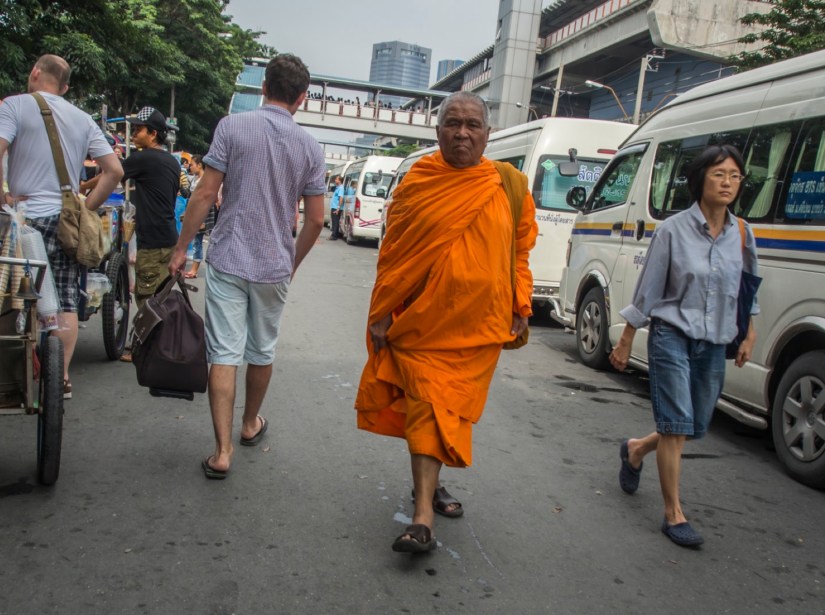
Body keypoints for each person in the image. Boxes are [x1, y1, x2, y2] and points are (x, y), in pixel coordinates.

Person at [354, 91, 538, 553]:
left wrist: (521, 303)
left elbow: (520, 251)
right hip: (421, 326)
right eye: (452, 123)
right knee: (426, 406)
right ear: (437, 132)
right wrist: (381, 312)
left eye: (472, 124)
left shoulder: (509, 184)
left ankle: (428, 488)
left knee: (444, 411)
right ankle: (422, 518)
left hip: (479, 329)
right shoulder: (417, 181)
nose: (462, 132)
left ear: (487, 134)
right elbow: (393, 256)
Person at [168, 53, 326, 480]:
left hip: (228, 257)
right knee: (262, 350)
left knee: (224, 353)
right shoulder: (310, 147)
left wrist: (182, 248)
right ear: (302, 99)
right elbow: (315, 219)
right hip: (274, 265)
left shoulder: (232, 127)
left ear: (264, 88)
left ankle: (221, 452)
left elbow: (204, 194)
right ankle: (249, 424)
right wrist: (291, 262)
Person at [609, 144, 759, 548]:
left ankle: (636, 449)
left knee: (693, 426)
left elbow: (747, 289)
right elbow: (649, 289)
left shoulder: (743, 233)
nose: (728, 182)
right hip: (671, 335)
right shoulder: (673, 229)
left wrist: (749, 332)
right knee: (675, 426)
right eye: (719, 174)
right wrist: (626, 339)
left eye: (734, 176)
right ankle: (673, 513)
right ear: (700, 180)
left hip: (714, 340)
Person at [0, 54, 124, 399]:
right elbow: (114, 171)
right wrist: (85, 207)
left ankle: (12, 371)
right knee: (66, 300)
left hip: (21, 222)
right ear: (66, 86)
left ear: (35, 72)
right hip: (64, 221)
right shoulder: (82, 118)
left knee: (10, 295)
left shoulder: (15, 106)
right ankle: (61, 379)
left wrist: (3, 198)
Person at [119, 106, 180, 362]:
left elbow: (112, 174)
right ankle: (162, 346)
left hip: (152, 241)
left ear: (153, 134)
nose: (133, 134)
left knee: (146, 296)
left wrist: (81, 187)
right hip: (168, 237)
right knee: (161, 295)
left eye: (139, 130)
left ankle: (141, 349)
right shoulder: (171, 161)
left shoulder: (144, 158)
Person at [184, 155, 217, 279]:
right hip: (192, 213)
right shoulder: (194, 179)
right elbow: (187, 194)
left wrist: (202, 218)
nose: (190, 167)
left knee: (197, 241)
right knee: (194, 241)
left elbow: (207, 201)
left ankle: (194, 269)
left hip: (200, 214)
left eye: (192, 164)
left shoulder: (205, 180)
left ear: (199, 165)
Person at [328, 175, 344, 240]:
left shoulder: (341, 188)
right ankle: (335, 234)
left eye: (336, 179)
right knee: (334, 221)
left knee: (335, 221)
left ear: (340, 181)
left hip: (336, 207)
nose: (335, 180)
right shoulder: (337, 187)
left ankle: (334, 235)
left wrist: (338, 208)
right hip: (334, 206)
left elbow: (341, 198)